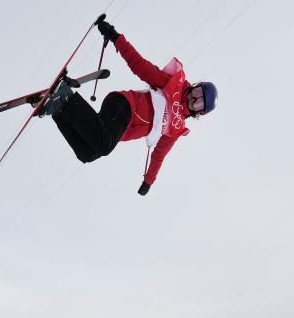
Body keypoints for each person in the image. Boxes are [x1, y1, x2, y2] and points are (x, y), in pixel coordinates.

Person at [38, 18, 218, 196]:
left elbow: (159, 155)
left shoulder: (176, 128)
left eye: (199, 102)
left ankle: (58, 110)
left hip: (119, 128)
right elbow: (140, 65)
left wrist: (149, 181)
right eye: (197, 92)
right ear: (195, 86)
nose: (194, 99)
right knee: (104, 145)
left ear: (199, 112)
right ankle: (66, 97)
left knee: (87, 153)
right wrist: (115, 36)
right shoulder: (172, 85)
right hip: (125, 106)